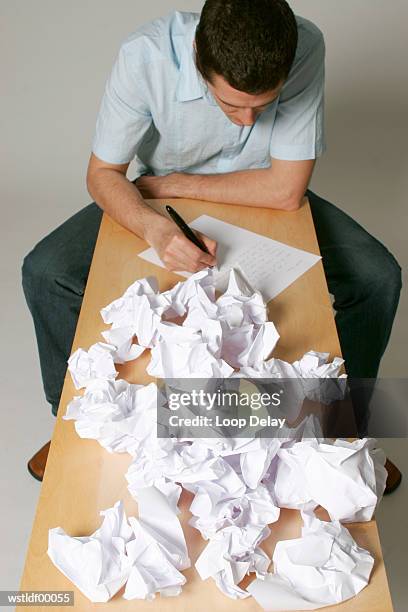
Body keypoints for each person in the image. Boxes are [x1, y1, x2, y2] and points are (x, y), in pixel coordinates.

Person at [22, 0, 402, 490]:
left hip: (249, 195)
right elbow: (103, 175)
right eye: (230, 105)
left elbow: (284, 191)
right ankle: (71, 421)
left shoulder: (305, 47)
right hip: (159, 198)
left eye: (263, 107)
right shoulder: (146, 56)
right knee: (45, 269)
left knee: (377, 277)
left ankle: (343, 430)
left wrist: (178, 183)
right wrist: (154, 227)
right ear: (200, 58)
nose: (247, 121)